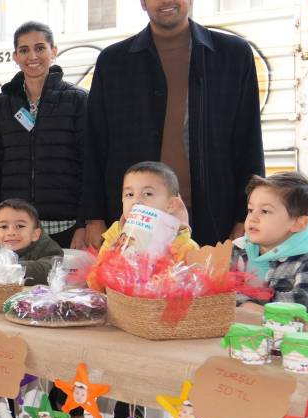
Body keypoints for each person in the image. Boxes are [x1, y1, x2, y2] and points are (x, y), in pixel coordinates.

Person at [81, 0, 263, 249]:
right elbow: (95, 144)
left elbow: (248, 142)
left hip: (213, 219)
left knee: (213, 289)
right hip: (132, 225)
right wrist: (94, 218)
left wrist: (245, 218)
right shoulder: (113, 62)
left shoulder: (232, 54)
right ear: (143, 3)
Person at [0, 22, 88, 249]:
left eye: (40, 48)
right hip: (13, 230)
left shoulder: (78, 100)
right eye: (24, 50)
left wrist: (84, 223)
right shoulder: (1, 105)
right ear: (15, 56)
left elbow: (89, 166)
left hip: (66, 228)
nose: (32, 56)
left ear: (54, 51)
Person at [233, 173, 308, 315]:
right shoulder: (238, 249)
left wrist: (254, 306)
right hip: (246, 332)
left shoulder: (307, 260)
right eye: (251, 210)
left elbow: (307, 304)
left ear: (297, 223)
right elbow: (219, 291)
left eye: (265, 211)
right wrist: (245, 303)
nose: (253, 218)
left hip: (295, 334)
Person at [0, 199, 62, 286]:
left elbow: (49, 271)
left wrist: (11, 268)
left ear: (35, 234)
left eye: (20, 226)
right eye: (4, 226)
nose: (11, 232)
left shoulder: (47, 247)